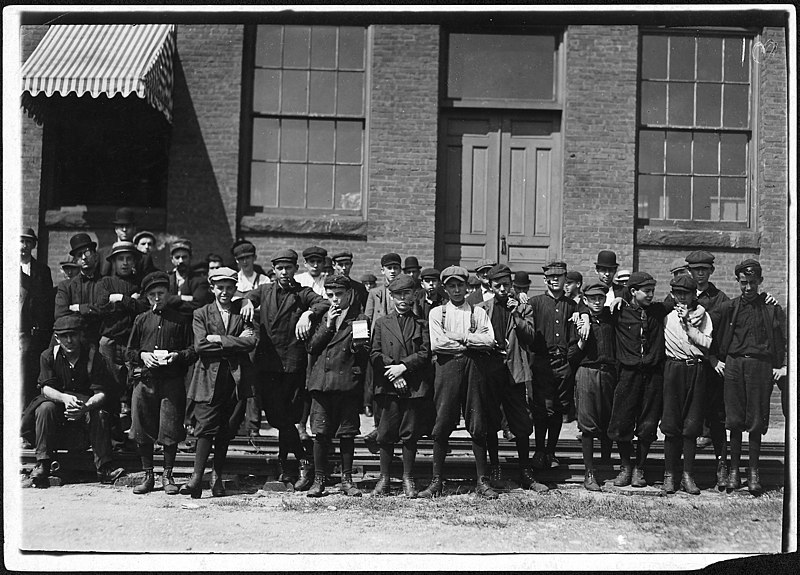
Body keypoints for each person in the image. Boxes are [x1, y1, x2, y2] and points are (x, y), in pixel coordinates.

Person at [240, 249, 329, 490]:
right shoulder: (266, 290)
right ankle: (302, 459)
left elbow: (323, 302)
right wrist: (248, 301)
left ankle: (288, 465)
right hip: (268, 363)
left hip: (291, 363)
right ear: (274, 270)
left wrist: (308, 314)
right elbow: (248, 295)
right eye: (280, 268)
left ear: (294, 269)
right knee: (278, 416)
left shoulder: (302, 292)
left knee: (287, 416)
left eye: (288, 268)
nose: (284, 272)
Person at [418, 266, 498, 499]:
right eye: (451, 286)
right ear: (445, 288)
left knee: (477, 422)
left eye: (460, 285)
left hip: (474, 369)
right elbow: (438, 344)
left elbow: (489, 340)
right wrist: (470, 345)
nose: (456, 290)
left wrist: (463, 337)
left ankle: (482, 481)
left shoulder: (478, 311)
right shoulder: (437, 313)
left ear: (467, 287)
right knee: (442, 421)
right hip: (447, 369)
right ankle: (436, 481)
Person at [20, 315, 125, 487]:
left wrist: (86, 406)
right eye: (64, 336)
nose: (69, 340)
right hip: (58, 410)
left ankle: (104, 467)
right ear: (56, 338)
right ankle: (43, 463)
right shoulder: (48, 356)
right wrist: (64, 398)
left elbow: (101, 393)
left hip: (86, 410)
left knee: (99, 412)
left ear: (81, 335)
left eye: (73, 335)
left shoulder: (93, 356)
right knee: (44, 407)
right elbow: (45, 388)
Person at [181, 267, 259, 498]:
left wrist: (219, 339)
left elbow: (252, 342)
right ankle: (196, 478)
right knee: (205, 427)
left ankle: (217, 479)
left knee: (225, 430)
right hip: (208, 377)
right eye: (220, 288)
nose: (224, 292)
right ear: (212, 288)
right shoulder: (201, 313)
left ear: (235, 288)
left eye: (229, 288)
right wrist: (233, 342)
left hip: (234, 379)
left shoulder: (242, 311)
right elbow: (200, 346)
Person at [710, 259, 786, 495]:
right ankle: (734, 471)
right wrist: (713, 359)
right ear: (738, 282)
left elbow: (785, 339)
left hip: (760, 367)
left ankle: (754, 472)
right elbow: (705, 327)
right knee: (734, 420)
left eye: (753, 283)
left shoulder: (772, 308)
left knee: (755, 421)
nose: (749, 288)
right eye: (744, 283)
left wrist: (782, 366)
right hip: (734, 365)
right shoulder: (729, 307)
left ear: (760, 282)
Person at [476, 264, 547, 492]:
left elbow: (529, 337)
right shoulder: (482, 309)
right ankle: (495, 468)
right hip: (491, 372)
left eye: (507, 285)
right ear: (491, 286)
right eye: (498, 286)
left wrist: (516, 313)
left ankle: (525, 470)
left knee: (522, 423)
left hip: (514, 371)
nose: (503, 289)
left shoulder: (523, 308)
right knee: (490, 422)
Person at [126, 271, 197, 494]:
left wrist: (176, 356)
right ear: (147, 297)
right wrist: (143, 356)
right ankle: (148, 476)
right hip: (145, 381)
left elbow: (192, 350)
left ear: (168, 293)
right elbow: (129, 351)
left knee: (170, 428)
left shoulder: (181, 319)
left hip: (171, 381)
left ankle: (168, 475)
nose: (157, 298)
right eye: (153, 294)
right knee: (142, 428)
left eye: (161, 293)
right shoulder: (141, 320)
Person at [305, 275, 371, 497]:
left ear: (349, 294)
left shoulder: (359, 319)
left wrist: (358, 346)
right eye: (330, 295)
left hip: (346, 384)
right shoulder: (321, 317)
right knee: (321, 434)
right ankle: (319, 479)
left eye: (339, 295)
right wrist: (329, 325)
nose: (335, 300)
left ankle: (347, 479)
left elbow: (362, 354)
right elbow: (312, 347)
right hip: (322, 385)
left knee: (347, 434)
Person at [370, 275, 435, 498]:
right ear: (391, 296)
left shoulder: (421, 323)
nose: (403, 299)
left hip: (413, 386)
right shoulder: (381, 323)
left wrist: (403, 368)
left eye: (407, 294)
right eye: (398, 295)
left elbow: (425, 353)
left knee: (410, 434)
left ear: (414, 295)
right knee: (386, 433)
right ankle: (384, 478)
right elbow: (375, 353)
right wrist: (393, 371)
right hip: (389, 385)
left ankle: (408, 478)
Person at [607, 271, 672, 488]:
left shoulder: (657, 310)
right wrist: (616, 299)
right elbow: (589, 307)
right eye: (646, 291)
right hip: (628, 375)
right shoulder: (619, 311)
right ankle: (625, 466)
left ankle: (640, 468)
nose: (651, 294)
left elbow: (687, 295)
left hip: (653, 375)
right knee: (621, 422)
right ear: (633, 291)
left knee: (648, 424)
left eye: (652, 290)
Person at [660, 274, 713, 495]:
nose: (682, 298)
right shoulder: (666, 316)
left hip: (696, 368)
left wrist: (689, 325)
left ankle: (688, 475)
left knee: (691, 426)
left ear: (694, 296)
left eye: (687, 294)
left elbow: (707, 343)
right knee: (672, 425)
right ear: (672, 295)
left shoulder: (703, 316)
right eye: (678, 293)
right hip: (674, 369)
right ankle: (669, 475)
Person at [527, 262, 580, 470]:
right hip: (542, 362)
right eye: (551, 277)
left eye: (560, 276)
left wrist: (570, 359)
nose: (555, 280)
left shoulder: (573, 306)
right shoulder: (535, 302)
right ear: (545, 280)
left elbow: (577, 335)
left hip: (563, 363)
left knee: (557, 409)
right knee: (542, 409)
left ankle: (551, 451)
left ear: (565, 279)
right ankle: (539, 450)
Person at [684, 249, 730, 488]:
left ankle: (722, 466)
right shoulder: (681, 295)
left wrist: (712, 359)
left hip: (710, 369)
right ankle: (684, 471)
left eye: (704, 270)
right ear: (689, 271)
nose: (699, 274)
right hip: (687, 368)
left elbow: (720, 335)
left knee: (717, 418)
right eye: (695, 270)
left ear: (711, 271)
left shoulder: (720, 298)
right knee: (688, 418)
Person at [97, 241, 148, 438]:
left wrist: (121, 299)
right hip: (110, 340)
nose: (125, 263)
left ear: (135, 261)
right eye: (121, 259)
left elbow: (144, 307)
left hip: (132, 342)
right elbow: (102, 306)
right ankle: (110, 432)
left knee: (133, 385)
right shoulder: (106, 282)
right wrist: (130, 301)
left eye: (129, 258)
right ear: (114, 262)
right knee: (109, 385)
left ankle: (136, 434)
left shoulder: (141, 283)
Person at [573, 279, 616, 491]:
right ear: (585, 300)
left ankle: (606, 463)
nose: (597, 302)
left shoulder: (611, 318)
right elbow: (571, 354)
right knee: (588, 423)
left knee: (607, 419)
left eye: (600, 298)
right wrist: (581, 338)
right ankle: (589, 473)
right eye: (592, 299)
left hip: (608, 373)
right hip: (587, 372)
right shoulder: (578, 321)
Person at [20, 228, 54, 409]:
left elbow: (47, 304)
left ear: (33, 245)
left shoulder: (42, 271)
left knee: (31, 377)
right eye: (20, 241)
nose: (23, 246)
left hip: (35, 335)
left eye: (28, 242)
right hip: (16, 331)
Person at [54, 233, 106, 345]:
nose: (84, 257)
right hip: (72, 340)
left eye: (87, 252)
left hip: (97, 339)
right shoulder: (66, 286)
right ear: (75, 260)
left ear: (95, 256)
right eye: (79, 255)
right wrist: (91, 311)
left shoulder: (105, 283)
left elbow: (105, 310)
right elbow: (60, 314)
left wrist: (78, 308)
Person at [98, 208, 157, 279]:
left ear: (134, 229)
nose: (124, 230)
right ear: (116, 229)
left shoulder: (143, 258)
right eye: (121, 226)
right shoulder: (102, 254)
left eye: (128, 226)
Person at [168, 239, 213, 309]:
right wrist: (182, 298)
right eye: (177, 257)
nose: (181, 261)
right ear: (172, 260)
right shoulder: (167, 279)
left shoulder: (199, 281)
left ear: (190, 258)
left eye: (184, 257)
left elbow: (198, 304)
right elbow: (162, 300)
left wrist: (171, 303)